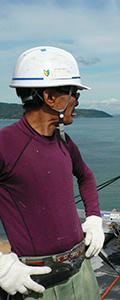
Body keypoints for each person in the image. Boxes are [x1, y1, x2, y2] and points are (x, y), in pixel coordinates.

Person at [0, 46, 104, 300]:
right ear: (49, 97)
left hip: (81, 271)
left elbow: (86, 176)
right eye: (74, 92)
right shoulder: (5, 144)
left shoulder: (64, 141)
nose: (78, 99)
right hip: (35, 282)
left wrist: (94, 220)